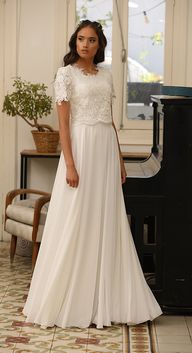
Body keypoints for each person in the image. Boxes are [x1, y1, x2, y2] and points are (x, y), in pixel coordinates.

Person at [23, 20, 162, 329]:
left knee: (106, 219)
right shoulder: (65, 74)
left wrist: (120, 159)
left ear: (100, 46)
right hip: (81, 150)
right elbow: (64, 124)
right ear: (75, 41)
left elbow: (109, 121)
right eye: (81, 39)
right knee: (76, 216)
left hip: (104, 152)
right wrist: (70, 164)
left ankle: (107, 297)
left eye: (92, 41)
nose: (85, 44)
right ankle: (70, 297)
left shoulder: (106, 75)